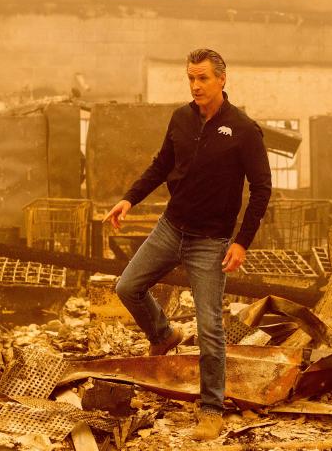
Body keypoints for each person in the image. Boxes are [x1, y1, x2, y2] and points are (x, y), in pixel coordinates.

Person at [103, 48, 272, 441]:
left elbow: (261, 189)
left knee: (210, 325)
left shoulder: (244, 129)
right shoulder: (180, 118)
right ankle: (163, 335)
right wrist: (130, 197)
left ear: (222, 80)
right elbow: (161, 164)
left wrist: (242, 242)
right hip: (171, 227)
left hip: (210, 240)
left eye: (203, 79)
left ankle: (211, 408)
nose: (196, 86)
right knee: (127, 287)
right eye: (191, 79)